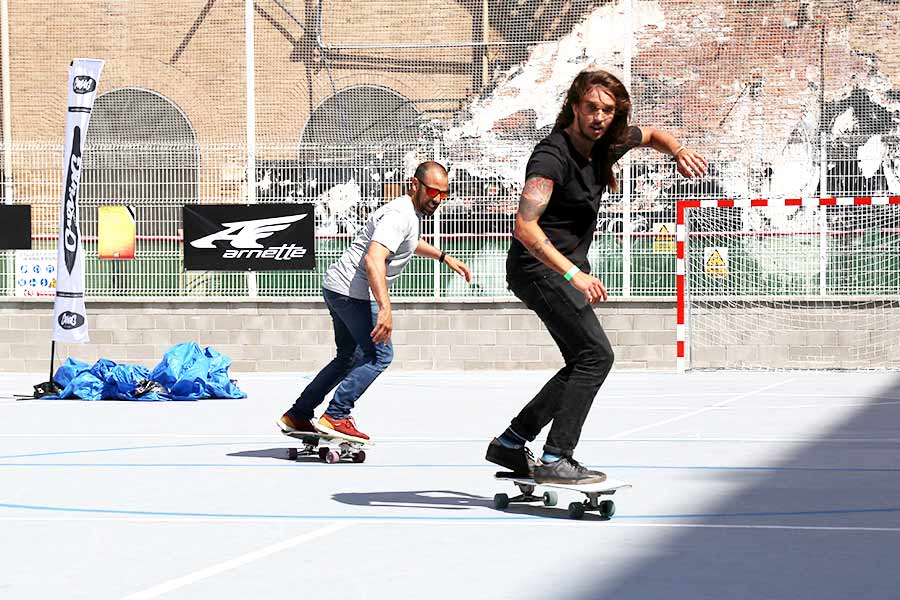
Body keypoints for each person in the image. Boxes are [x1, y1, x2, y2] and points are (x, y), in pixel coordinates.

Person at [486, 69, 708, 484]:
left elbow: (652, 134)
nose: (599, 117)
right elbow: (525, 227)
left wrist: (677, 150)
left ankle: (512, 442)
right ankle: (555, 457)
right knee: (596, 356)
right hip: (537, 268)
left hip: (558, 270)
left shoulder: (607, 144)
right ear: (574, 106)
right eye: (591, 108)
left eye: (607, 110)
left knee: (582, 360)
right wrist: (573, 274)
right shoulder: (551, 157)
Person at [279, 161, 472, 441]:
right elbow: (374, 258)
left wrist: (444, 257)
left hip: (337, 288)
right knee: (380, 356)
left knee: (348, 357)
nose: (437, 199)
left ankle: (298, 415)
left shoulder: (406, 213)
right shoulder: (400, 214)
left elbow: (408, 242)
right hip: (353, 294)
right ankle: (336, 415)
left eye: (444, 194)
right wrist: (385, 308)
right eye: (433, 191)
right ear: (415, 184)